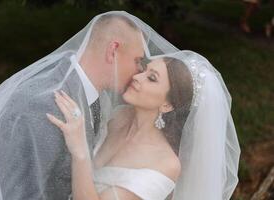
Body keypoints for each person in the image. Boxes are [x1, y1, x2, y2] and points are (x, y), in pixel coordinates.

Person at [0, 12, 145, 200]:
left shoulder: (96, 99)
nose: (139, 72)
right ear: (113, 51)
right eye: (137, 60)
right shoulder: (42, 106)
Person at [47, 50, 241, 200]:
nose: (137, 77)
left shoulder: (166, 164)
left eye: (152, 78)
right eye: (144, 70)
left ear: (167, 105)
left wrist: (79, 152)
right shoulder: (118, 116)